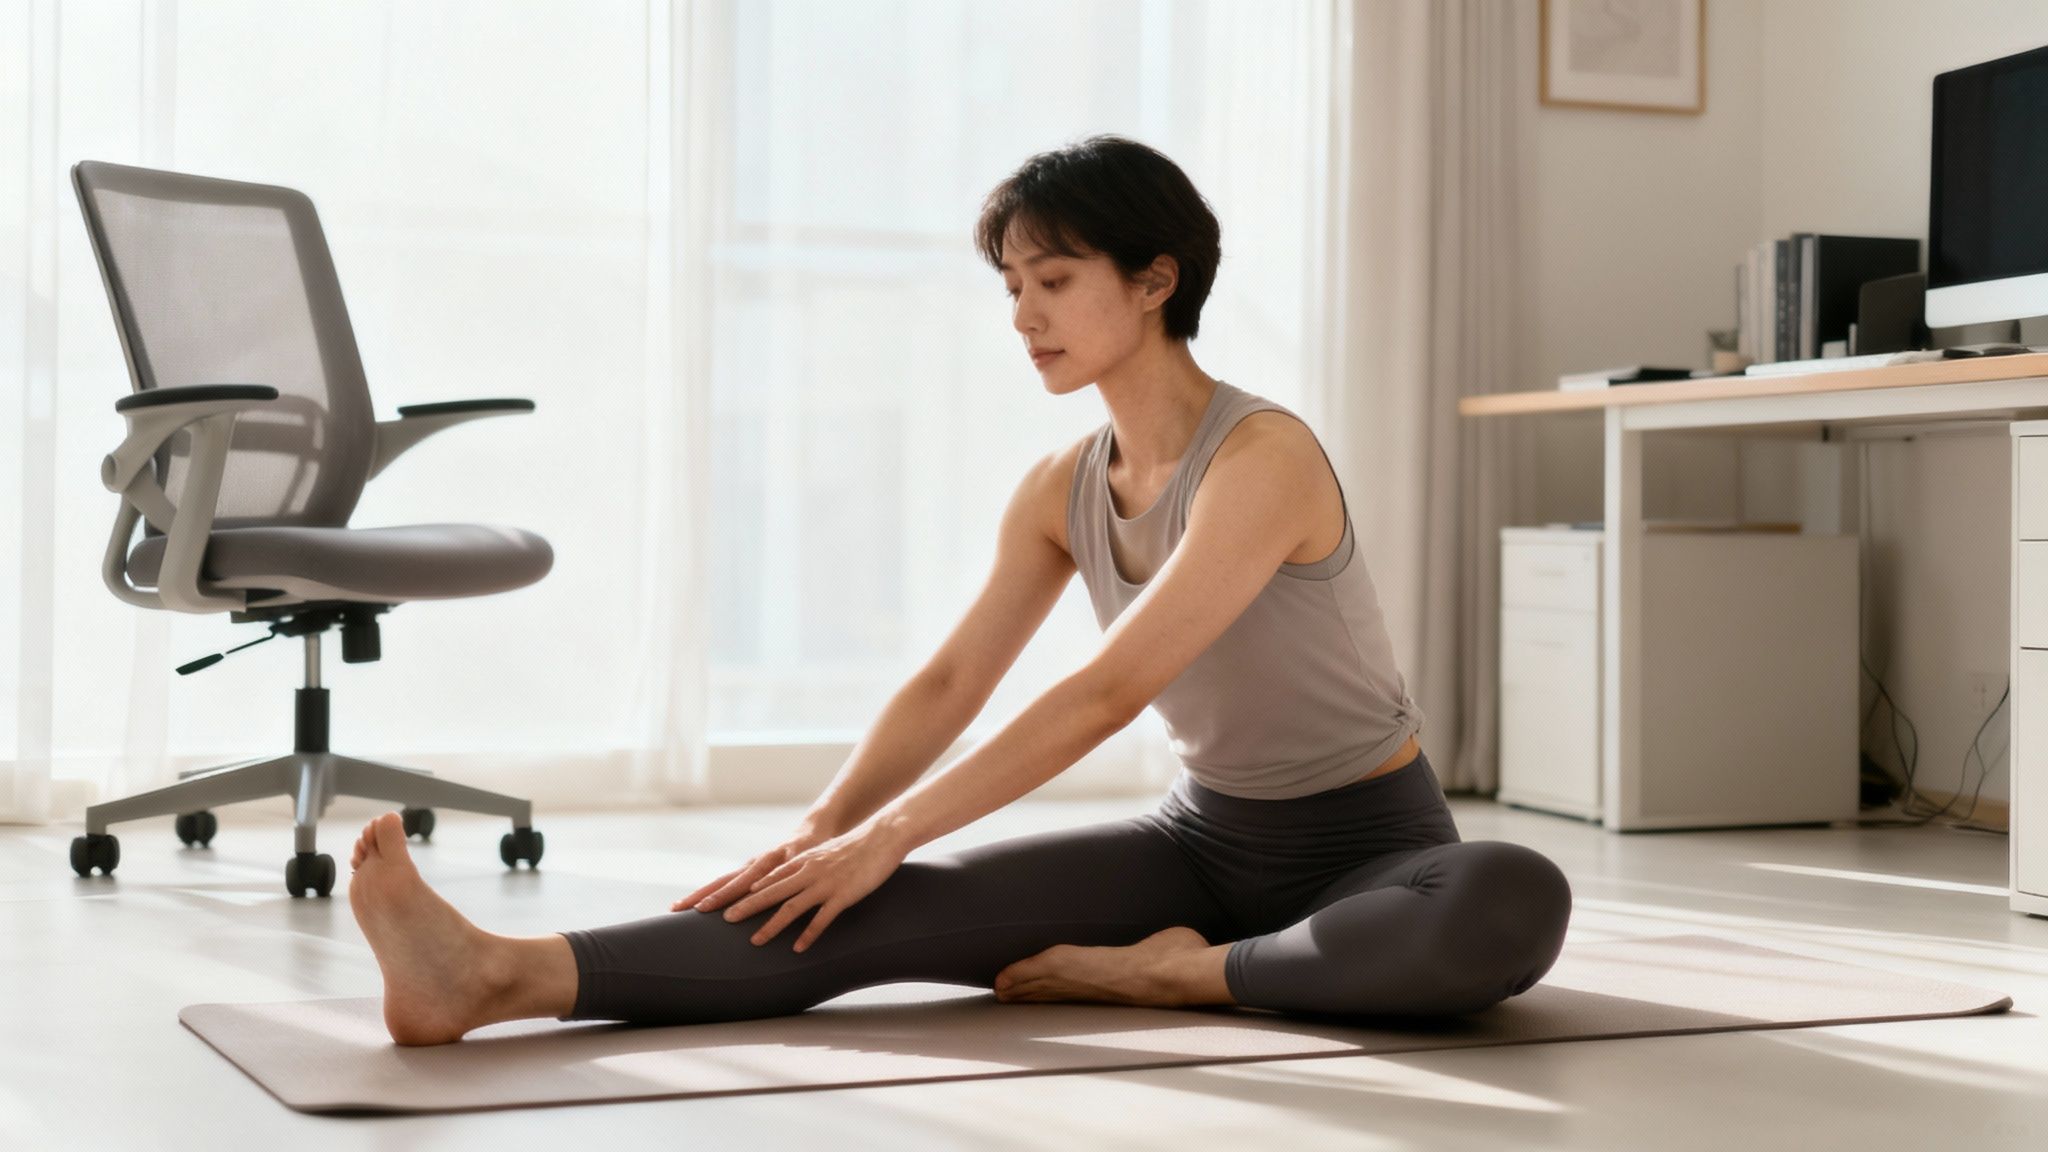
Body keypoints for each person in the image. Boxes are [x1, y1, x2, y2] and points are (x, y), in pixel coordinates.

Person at [347, 134, 1573, 1047]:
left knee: (1508, 897)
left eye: (1054, 280)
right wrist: (826, 834)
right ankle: (492, 976)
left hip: (1371, 851)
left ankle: (1168, 975)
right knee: (848, 911)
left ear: (1155, 280)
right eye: (1011, 288)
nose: (1023, 314)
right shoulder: (1059, 487)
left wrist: (892, 833)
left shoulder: (1261, 458)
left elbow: (1106, 693)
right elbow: (948, 682)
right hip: (1200, 848)